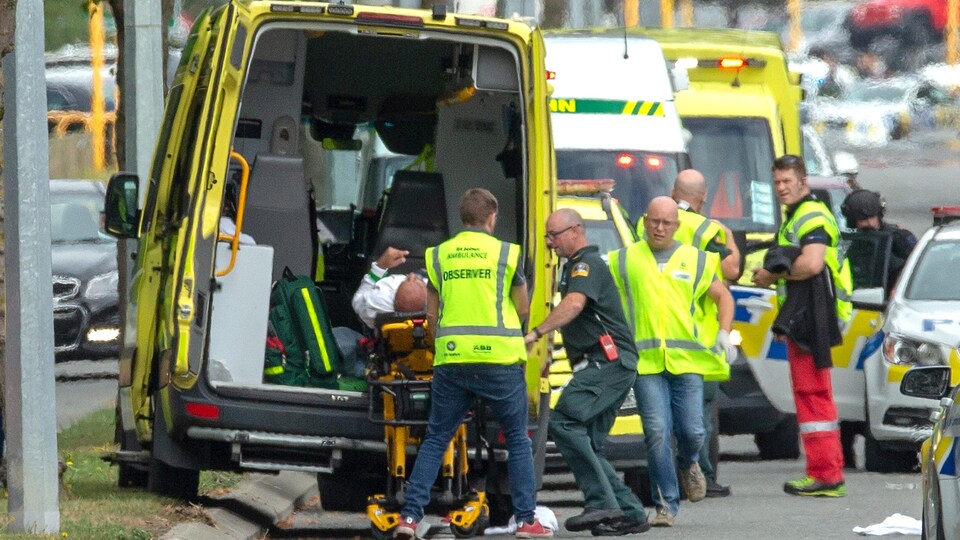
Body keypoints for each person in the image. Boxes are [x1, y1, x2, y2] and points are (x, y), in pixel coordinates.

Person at [394, 188, 552, 540]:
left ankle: (409, 517)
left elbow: (431, 313)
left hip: (453, 358)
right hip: (499, 359)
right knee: (517, 440)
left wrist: (443, 347)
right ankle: (526, 521)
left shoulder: (439, 256)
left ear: (462, 217)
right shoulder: (507, 254)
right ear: (492, 218)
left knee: (436, 438)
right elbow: (522, 307)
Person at [610, 197, 737, 527]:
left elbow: (723, 296)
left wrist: (724, 333)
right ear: (644, 221)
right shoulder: (623, 260)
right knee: (656, 431)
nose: (659, 228)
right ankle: (666, 504)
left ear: (677, 225)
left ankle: (689, 461)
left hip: (687, 361)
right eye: (654, 221)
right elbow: (603, 300)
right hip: (646, 363)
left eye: (666, 222)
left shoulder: (695, 260)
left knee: (693, 431)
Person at [525, 208, 651, 537]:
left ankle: (600, 503)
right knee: (590, 444)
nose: (550, 242)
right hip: (608, 364)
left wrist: (536, 334)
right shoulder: (573, 267)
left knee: (565, 421)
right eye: (547, 237)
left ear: (577, 230)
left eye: (555, 235)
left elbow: (574, 306)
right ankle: (630, 513)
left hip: (608, 363)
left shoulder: (586, 265)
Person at [752, 154, 852, 498]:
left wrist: (771, 274)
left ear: (802, 182)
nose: (781, 188)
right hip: (810, 313)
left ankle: (826, 474)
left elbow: (811, 264)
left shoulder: (809, 215)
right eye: (777, 182)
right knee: (812, 394)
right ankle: (825, 471)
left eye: (787, 182)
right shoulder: (798, 215)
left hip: (815, 314)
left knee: (813, 395)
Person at [668, 168, 740, 498]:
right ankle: (701, 476)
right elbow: (730, 270)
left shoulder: (648, 222)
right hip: (697, 330)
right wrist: (729, 238)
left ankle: (673, 474)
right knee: (699, 411)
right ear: (703, 197)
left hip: (659, 329)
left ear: (672, 193)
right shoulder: (710, 230)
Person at [840, 189, 917, 296]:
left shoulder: (900, 238)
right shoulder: (852, 243)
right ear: (853, 221)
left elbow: (917, 271)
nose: (869, 223)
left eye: (872, 217)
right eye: (862, 219)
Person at [352, 247, 428, 329]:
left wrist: (380, 267)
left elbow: (357, 299)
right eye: (419, 281)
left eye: (406, 280)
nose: (411, 275)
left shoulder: (375, 303)